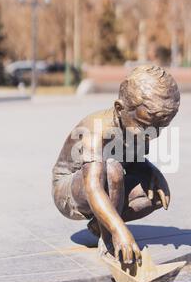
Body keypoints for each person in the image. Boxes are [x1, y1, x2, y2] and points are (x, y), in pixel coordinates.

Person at [52, 65, 180, 265]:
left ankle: (101, 224)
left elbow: (135, 161)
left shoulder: (139, 128)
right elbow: (93, 186)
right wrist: (119, 230)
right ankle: (109, 239)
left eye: (160, 127)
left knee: (153, 195)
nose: (152, 134)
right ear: (120, 109)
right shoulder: (96, 131)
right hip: (69, 189)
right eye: (145, 126)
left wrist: (154, 173)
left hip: (107, 177)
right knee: (112, 168)